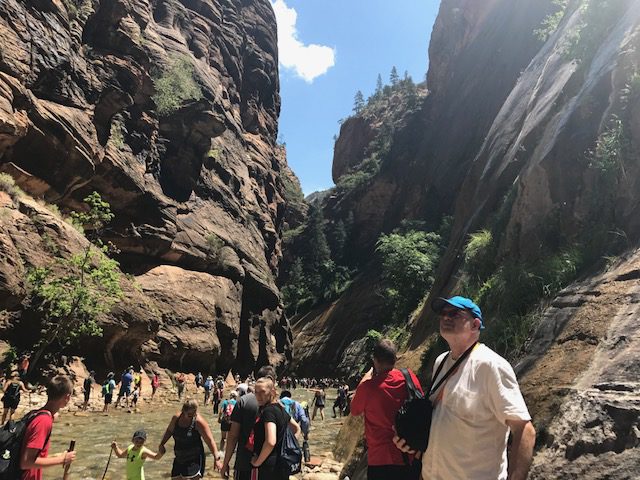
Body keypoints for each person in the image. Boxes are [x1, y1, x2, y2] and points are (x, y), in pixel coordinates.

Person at [394, 296, 536, 480]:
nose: (446, 317)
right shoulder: (441, 362)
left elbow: (524, 429)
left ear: (475, 325)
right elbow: (441, 424)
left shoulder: (491, 365)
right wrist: (411, 442)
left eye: (454, 313)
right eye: (443, 314)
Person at [350, 339, 423, 480]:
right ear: (395, 359)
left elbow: (354, 410)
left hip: (380, 460)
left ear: (375, 360)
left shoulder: (368, 387)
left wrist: (366, 377)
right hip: (409, 456)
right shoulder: (409, 377)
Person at [220, 366, 275, 480]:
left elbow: (233, 437)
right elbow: (294, 430)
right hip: (272, 466)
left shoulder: (244, 401)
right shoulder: (279, 405)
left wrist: (225, 463)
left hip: (245, 464)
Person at [19, 375, 77, 479]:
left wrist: (58, 457)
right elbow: (26, 462)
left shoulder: (35, 414)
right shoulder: (43, 421)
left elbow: (31, 456)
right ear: (67, 397)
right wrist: (62, 460)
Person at [249, 377, 300, 480]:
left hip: (268, 466)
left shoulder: (268, 411)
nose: (258, 396)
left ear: (272, 391)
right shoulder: (280, 408)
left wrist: (257, 462)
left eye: (262, 392)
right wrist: (286, 447)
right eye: (256, 392)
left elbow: (271, 441)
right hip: (282, 463)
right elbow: (296, 428)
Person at [158, 398, 222, 479]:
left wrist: (217, 459)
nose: (191, 416)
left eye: (193, 414)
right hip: (179, 458)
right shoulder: (176, 418)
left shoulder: (199, 422)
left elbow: (210, 441)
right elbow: (169, 431)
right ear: (183, 411)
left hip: (194, 459)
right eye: (189, 415)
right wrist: (162, 443)